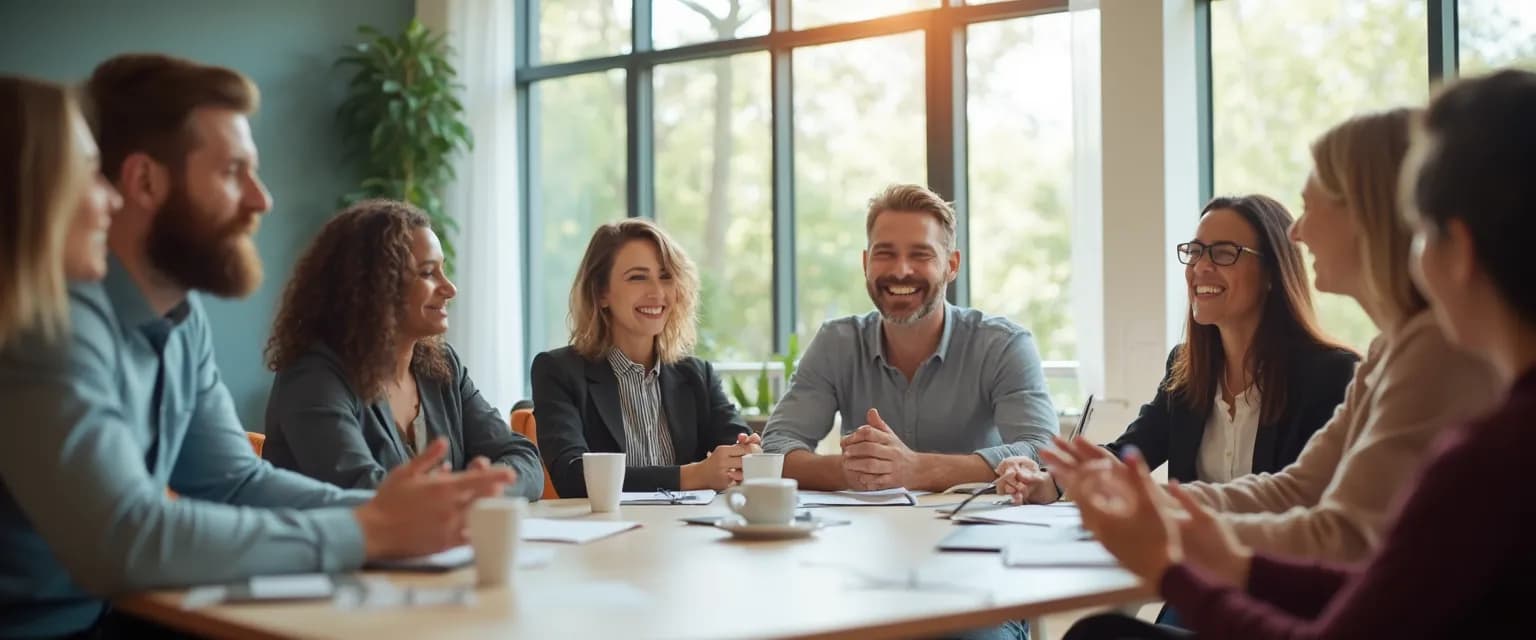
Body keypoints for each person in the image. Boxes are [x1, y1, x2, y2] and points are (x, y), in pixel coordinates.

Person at [0, 55, 511, 637]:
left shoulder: (180, 319)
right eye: (232, 172)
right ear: (145, 181)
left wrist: (392, 514)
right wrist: (373, 529)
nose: (262, 201)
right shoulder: (45, 318)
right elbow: (126, 539)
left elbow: (234, 481)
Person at [1058, 68, 1536, 639]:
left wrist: (1172, 550)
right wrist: (1173, 521)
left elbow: (1344, 545)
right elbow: (1307, 499)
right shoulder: (1395, 353)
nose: (1300, 233)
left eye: (1426, 231)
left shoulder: (1464, 419)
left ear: (1454, 247)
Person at [1014, 109, 1500, 569]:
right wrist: (1131, 496)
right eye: (1197, 252)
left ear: (1366, 217)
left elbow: (1339, 535)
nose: (1298, 234)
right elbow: (1294, 490)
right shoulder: (1386, 354)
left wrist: (1170, 536)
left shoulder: (1408, 357)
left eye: (1310, 208)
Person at [997, 195, 1356, 504]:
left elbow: (1304, 499)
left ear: (1273, 273)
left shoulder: (1330, 376)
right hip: (1191, 563)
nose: (1201, 267)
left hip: (1273, 571)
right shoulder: (1185, 368)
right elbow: (1132, 453)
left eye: (1224, 253)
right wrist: (1051, 482)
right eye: (1196, 252)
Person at [762, 183, 1058, 492]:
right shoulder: (836, 343)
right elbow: (775, 449)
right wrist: (855, 472)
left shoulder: (1003, 346)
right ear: (866, 263)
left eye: (921, 255)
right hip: (864, 533)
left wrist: (916, 470)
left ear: (951, 266)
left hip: (973, 531)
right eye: (885, 254)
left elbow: (1042, 451)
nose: (901, 270)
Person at [262, 199, 543, 498]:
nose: (450, 288)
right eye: (427, 273)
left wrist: (484, 491)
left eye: (442, 271)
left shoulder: (442, 367)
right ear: (372, 286)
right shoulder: (314, 377)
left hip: (444, 545)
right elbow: (362, 492)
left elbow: (522, 457)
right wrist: (465, 492)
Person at [531, 218, 756, 497]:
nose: (657, 292)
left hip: (686, 534)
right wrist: (693, 475)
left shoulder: (697, 375)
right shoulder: (558, 371)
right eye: (638, 277)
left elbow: (739, 443)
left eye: (665, 277)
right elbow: (573, 476)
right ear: (601, 293)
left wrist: (747, 453)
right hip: (606, 535)